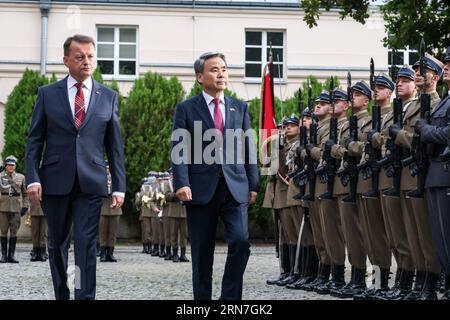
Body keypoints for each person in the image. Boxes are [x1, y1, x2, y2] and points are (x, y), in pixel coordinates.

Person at [25, 34, 126, 300]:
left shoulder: (108, 96)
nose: (86, 61)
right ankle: (62, 292)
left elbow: (115, 147)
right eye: (80, 56)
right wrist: (33, 177)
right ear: (66, 60)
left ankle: (84, 296)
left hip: (91, 183)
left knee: (85, 244)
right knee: (57, 244)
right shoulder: (48, 95)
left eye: (91, 56)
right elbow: (34, 140)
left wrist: (119, 186)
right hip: (55, 181)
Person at [171, 52, 259, 300]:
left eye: (224, 68)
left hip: (235, 187)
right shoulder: (187, 109)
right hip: (199, 188)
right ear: (200, 77)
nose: (221, 73)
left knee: (241, 242)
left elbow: (248, 148)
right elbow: (179, 148)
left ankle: (229, 300)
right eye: (214, 69)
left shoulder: (239, 107)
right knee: (201, 252)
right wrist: (182, 182)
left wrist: (253, 184)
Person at [0, 155, 28, 263]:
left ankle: (11, 255)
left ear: (15, 166)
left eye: (13, 165)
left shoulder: (21, 177)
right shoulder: (1, 176)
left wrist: (25, 206)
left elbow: (25, 194)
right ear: (6, 166)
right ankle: (3, 256)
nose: (11, 167)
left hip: (16, 207)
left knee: (14, 232)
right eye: (9, 165)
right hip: (3, 207)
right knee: (3, 232)